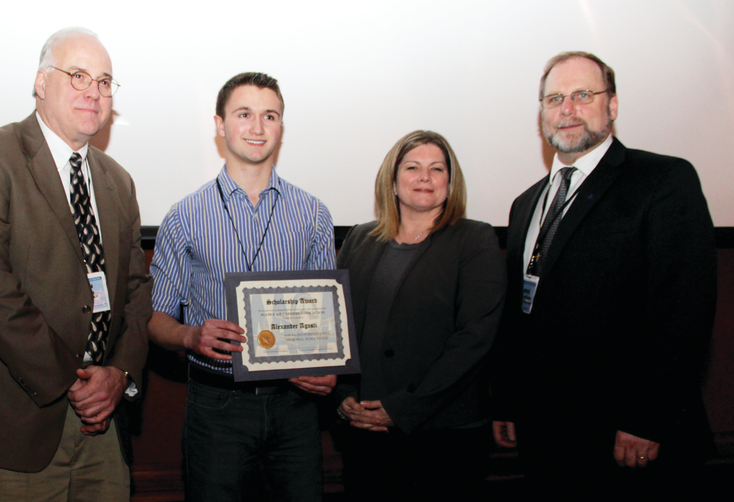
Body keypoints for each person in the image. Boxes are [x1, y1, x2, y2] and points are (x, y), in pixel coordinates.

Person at [0, 27, 151, 502]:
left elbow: (136, 292)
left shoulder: (119, 181)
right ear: (40, 82)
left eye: (104, 81)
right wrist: (73, 381)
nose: (93, 92)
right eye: (78, 76)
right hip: (14, 420)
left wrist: (119, 374)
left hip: (104, 424)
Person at [491, 51, 717, 491]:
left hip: (625, 435)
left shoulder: (663, 180)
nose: (567, 109)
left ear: (612, 106)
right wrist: (508, 399)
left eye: (582, 95)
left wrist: (648, 418)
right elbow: (522, 313)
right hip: (545, 434)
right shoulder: (526, 203)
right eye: (554, 98)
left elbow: (684, 310)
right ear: (541, 113)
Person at [148, 72, 337, 502]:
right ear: (220, 124)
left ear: (281, 127)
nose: (257, 128)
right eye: (244, 114)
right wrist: (189, 335)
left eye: (269, 116)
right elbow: (155, 320)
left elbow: (326, 324)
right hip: (217, 406)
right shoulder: (185, 215)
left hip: (296, 407)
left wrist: (329, 368)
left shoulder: (314, 215)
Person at [333, 130, 505, 497]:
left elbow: (475, 338)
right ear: (392, 182)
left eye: (437, 169)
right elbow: (339, 325)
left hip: (444, 436)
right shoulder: (360, 239)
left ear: (450, 182)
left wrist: (404, 407)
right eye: (412, 167)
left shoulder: (475, 240)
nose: (424, 177)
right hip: (365, 430)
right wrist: (343, 395)